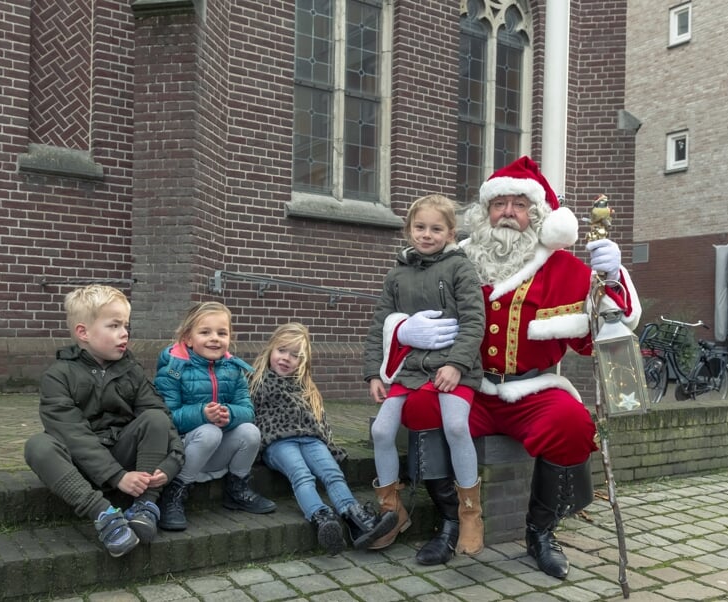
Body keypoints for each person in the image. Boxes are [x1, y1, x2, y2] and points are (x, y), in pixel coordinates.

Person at [378, 156, 640, 579]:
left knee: (573, 423)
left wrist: (611, 278)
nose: (508, 213)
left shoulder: (564, 269)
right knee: (419, 409)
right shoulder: (454, 261)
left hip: (533, 391)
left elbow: (596, 338)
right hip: (467, 385)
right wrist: (406, 331)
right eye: (499, 204)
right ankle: (452, 521)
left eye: (519, 205)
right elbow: (400, 307)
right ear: (485, 212)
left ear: (536, 215)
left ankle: (541, 533)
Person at [363, 193, 486, 562]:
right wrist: (374, 373)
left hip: (453, 369)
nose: (426, 234)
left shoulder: (461, 269)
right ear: (408, 229)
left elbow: (474, 322)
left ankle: (469, 513)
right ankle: (391, 509)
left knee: (456, 427)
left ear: (451, 232)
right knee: (381, 431)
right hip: (408, 369)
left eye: (436, 228)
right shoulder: (396, 274)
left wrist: (457, 365)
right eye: (420, 227)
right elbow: (379, 327)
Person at [24, 285, 185, 558]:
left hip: (124, 455)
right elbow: (72, 434)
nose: (124, 333)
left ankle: (145, 507)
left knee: (154, 418)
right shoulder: (58, 376)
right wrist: (116, 476)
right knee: (38, 446)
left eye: (126, 325)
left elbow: (164, 420)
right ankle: (105, 517)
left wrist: (172, 463)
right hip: (79, 467)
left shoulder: (132, 371)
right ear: (83, 333)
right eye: (114, 325)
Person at [250, 322, 398, 555]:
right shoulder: (256, 381)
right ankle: (322, 518)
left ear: (303, 361)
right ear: (270, 349)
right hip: (278, 442)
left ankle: (357, 521)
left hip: (311, 440)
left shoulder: (306, 387)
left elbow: (321, 420)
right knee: (302, 475)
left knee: (332, 473)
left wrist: (329, 444)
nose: (286, 358)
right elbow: (248, 414)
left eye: (295, 355)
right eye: (281, 350)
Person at [153, 301, 276, 531]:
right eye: (205, 332)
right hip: (181, 452)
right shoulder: (173, 369)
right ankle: (174, 494)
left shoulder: (232, 368)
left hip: (215, 452)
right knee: (208, 431)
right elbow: (165, 417)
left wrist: (230, 415)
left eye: (222, 333)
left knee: (250, 431)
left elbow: (247, 410)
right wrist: (202, 414)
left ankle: (237, 488)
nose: (214, 338)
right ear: (188, 338)